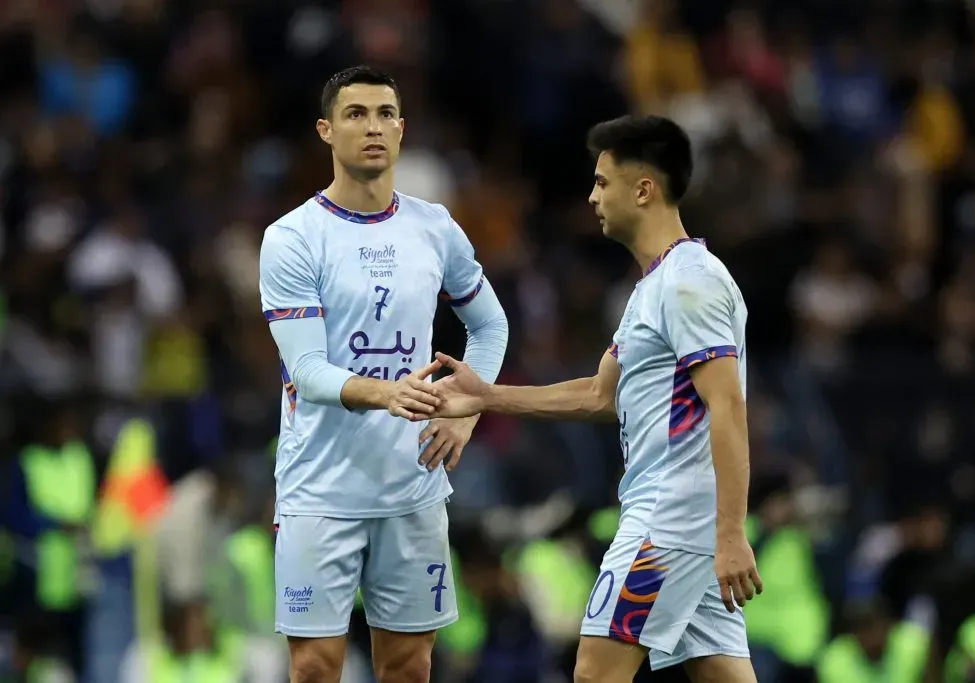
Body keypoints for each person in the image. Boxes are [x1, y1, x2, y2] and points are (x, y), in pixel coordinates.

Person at [413, 115, 761, 683]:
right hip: (680, 523)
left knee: (595, 673)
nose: (591, 196)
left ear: (643, 189)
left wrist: (730, 533)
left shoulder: (690, 283)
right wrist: (486, 396)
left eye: (602, 182)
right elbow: (601, 395)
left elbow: (727, 406)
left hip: (670, 523)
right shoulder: (655, 287)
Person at [258, 65, 509, 683]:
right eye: (356, 114)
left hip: (412, 486)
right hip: (320, 489)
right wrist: (389, 392)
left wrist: (468, 411)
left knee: (408, 666)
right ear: (326, 131)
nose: (373, 127)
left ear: (402, 129)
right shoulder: (292, 237)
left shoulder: (434, 226)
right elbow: (309, 372)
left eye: (385, 114)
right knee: (315, 668)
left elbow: (492, 327)